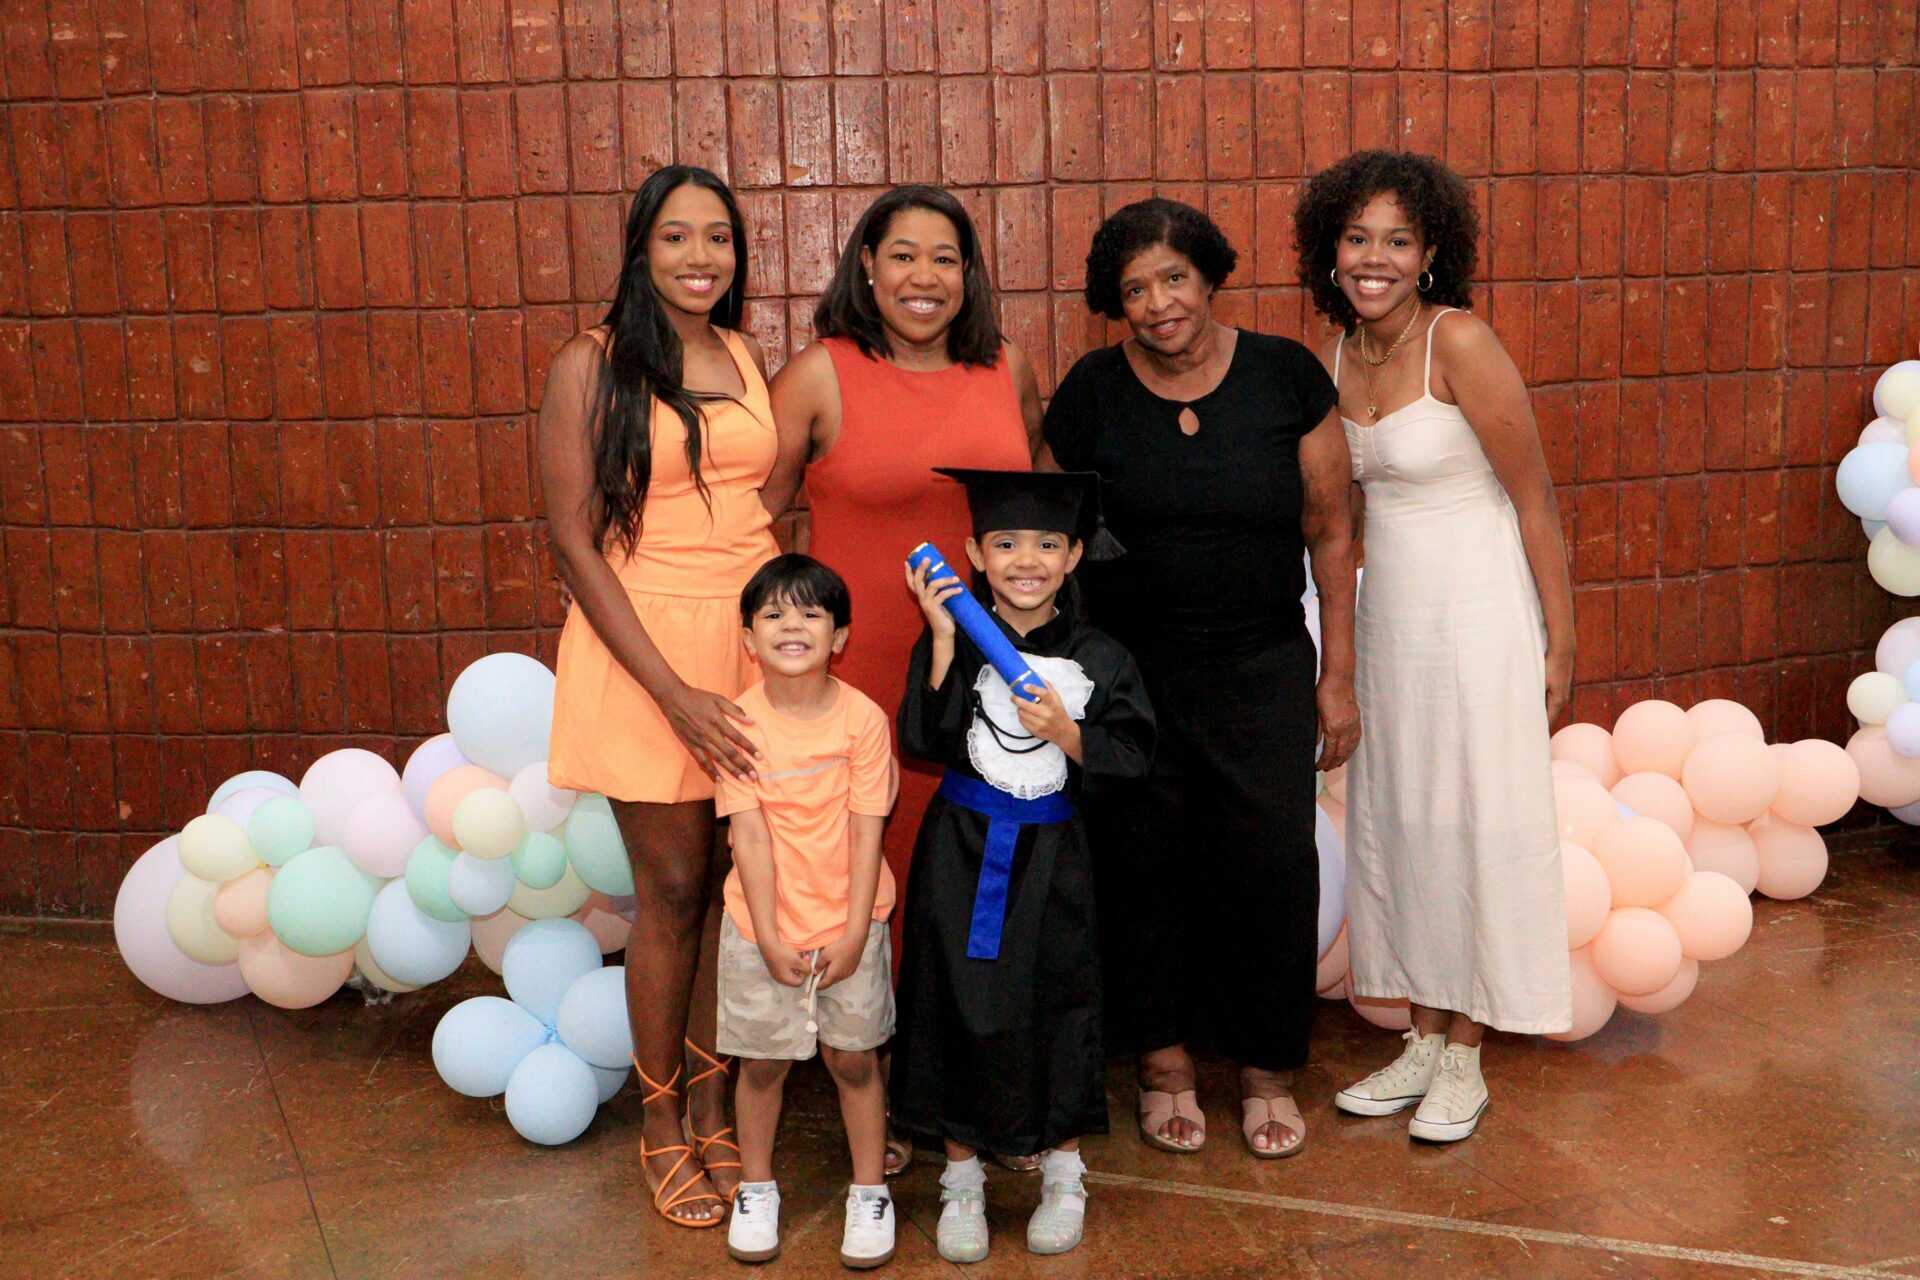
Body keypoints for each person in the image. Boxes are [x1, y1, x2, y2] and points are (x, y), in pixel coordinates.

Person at [1042, 199, 1359, 1161]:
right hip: (1128, 679)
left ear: (1210, 275)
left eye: (1173, 278)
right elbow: (1045, 537)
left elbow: (1332, 531)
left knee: (1271, 867)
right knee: (1142, 867)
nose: (1158, 304)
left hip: (1261, 667)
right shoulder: (1092, 392)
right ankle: (1164, 1063)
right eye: (1135, 289)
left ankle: (1267, 1070)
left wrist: (1338, 676)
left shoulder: (1285, 377)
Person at [1296, 150, 1575, 1142]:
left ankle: (1466, 1055)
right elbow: (1334, 517)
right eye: (1357, 238)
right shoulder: (1333, 356)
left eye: (1398, 241)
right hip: (1391, 623)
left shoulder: (1459, 339)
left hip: (1481, 613)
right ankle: (1420, 1037)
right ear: (1330, 251)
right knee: (1405, 821)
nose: (1374, 258)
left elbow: (1534, 497)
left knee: (1475, 822)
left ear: (1430, 255)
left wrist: (1560, 640)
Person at [765, 184, 1044, 1175]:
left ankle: (975, 1096)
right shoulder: (820, 373)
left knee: (979, 877)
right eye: (903, 255)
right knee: (870, 874)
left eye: (946, 258)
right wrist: (788, 645)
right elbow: (756, 521)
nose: (925, 277)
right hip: (860, 673)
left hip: (982, 675)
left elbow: (1040, 508)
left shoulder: (1007, 367)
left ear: (968, 274)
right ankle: (877, 1093)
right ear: (867, 268)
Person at [539, 165, 775, 1226]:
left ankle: (717, 1096)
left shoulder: (745, 354)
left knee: (734, 884)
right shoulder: (590, 362)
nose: (699, 257)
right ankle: (661, 1119)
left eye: (717, 237)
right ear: (640, 248)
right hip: (643, 650)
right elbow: (573, 541)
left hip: (750, 649)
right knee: (674, 886)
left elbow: (759, 502)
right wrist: (674, 691)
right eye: (676, 236)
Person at [890, 469, 1155, 1263]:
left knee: (1060, 999)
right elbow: (923, 739)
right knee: (955, 1000)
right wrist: (943, 636)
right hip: (961, 851)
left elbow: (1135, 757)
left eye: (1046, 544)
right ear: (975, 553)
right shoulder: (957, 636)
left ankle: (1064, 1178)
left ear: (1073, 555)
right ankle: (961, 1183)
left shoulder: (1102, 655)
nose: (1026, 560)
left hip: (1054, 859)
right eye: (1005, 543)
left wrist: (1068, 734)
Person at [714, 555, 899, 1269]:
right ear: (748, 638)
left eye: (811, 613)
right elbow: (750, 835)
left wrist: (854, 932)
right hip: (760, 926)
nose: (792, 625)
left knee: (853, 1059)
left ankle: (870, 1193)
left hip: (851, 920)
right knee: (761, 1064)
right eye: (773, 614)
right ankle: (757, 1190)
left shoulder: (862, 720)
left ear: (840, 636)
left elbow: (866, 829)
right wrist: (767, 935)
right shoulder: (736, 723)